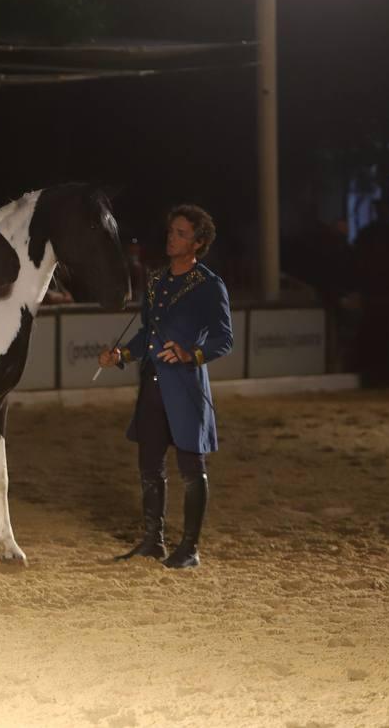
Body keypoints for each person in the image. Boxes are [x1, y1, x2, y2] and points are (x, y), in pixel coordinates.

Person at [96, 204, 233, 569]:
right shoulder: (156, 281)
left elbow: (225, 338)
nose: (172, 238)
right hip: (152, 388)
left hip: (186, 388)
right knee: (149, 466)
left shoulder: (209, 285)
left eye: (182, 234)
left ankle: (189, 548)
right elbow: (146, 335)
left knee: (191, 467)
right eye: (172, 231)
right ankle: (152, 542)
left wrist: (192, 354)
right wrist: (121, 355)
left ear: (198, 243)